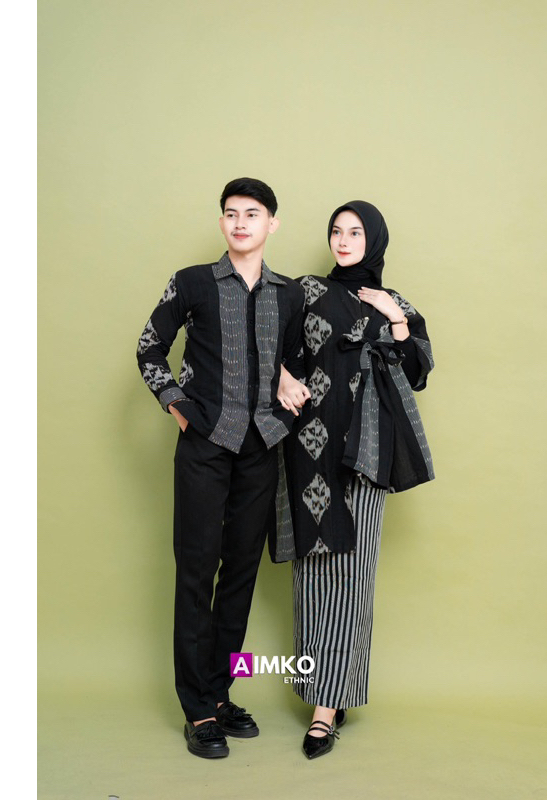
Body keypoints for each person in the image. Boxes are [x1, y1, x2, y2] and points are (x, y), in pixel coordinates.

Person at [136, 178, 307, 759]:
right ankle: (197, 709)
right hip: (206, 445)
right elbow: (149, 348)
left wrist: (284, 389)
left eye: (251, 214)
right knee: (196, 571)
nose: (240, 223)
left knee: (241, 575)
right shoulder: (192, 283)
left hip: (261, 445)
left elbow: (293, 360)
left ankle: (220, 691)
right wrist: (179, 408)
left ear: (271, 224)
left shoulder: (289, 294)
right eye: (231, 214)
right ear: (222, 223)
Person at [276, 200, 435, 759]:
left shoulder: (393, 302)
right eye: (336, 231)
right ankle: (325, 688)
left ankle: (326, 709)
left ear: (375, 241)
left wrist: (395, 317)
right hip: (309, 447)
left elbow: (417, 371)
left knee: (353, 576)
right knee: (313, 572)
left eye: (356, 232)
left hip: (366, 452)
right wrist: (281, 376)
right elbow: (270, 342)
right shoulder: (306, 290)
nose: (343, 241)